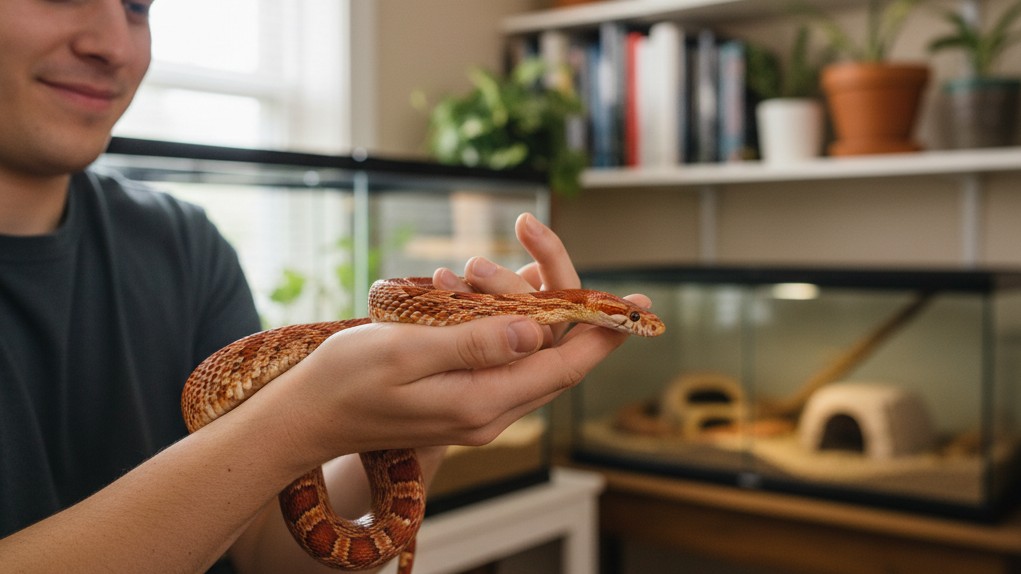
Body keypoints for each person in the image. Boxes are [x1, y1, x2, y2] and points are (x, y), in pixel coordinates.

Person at [0, 1, 652, 573]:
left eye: (138, 6)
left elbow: (267, 554)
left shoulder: (185, 244)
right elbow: (278, 439)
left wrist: (423, 423)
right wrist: (292, 424)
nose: (112, 44)